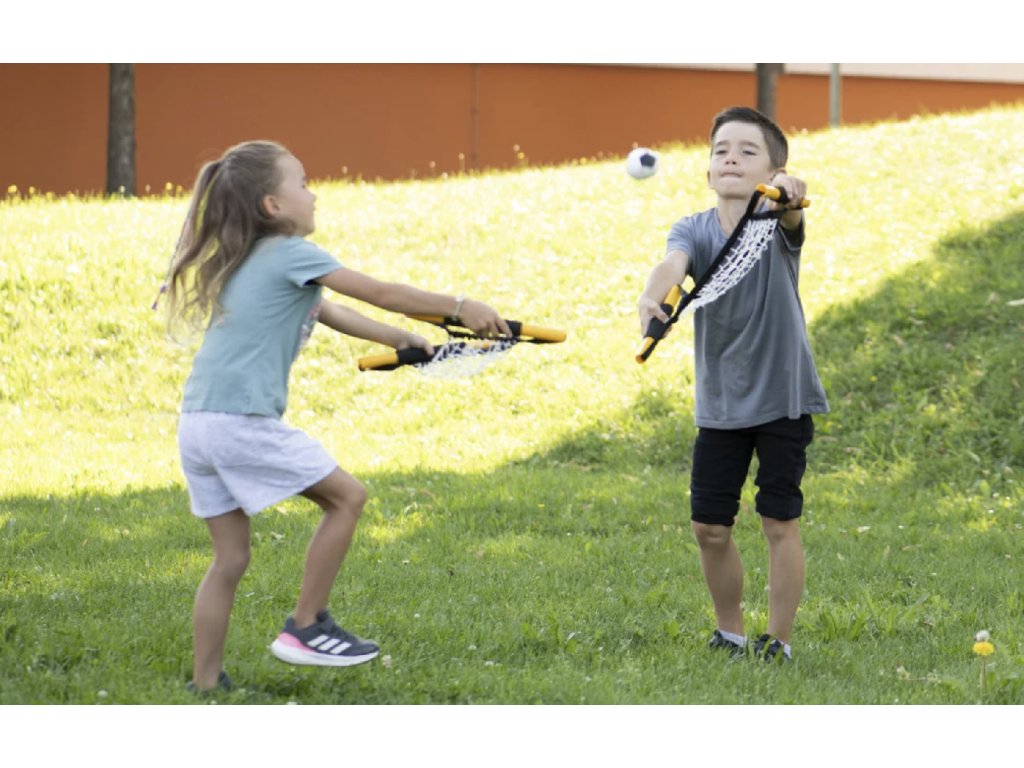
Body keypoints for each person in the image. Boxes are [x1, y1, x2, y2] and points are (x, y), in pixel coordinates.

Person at [163, 140, 511, 692]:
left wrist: (398, 339)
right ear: (273, 206)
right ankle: (306, 626)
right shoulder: (289, 252)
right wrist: (459, 306)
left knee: (229, 558)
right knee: (347, 498)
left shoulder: (246, 259)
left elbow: (327, 310)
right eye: (302, 183)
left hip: (198, 423)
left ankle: (206, 684)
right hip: (240, 421)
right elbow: (380, 291)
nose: (314, 193)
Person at [637, 107, 829, 662]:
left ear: (772, 170)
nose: (731, 159)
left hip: (783, 398)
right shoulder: (693, 229)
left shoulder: (778, 221)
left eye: (748, 151)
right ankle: (731, 633)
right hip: (721, 404)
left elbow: (792, 208)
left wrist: (789, 192)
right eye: (721, 150)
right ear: (708, 172)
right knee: (709, 528)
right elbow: (672, 265)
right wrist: (652, 295)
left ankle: (778, 640)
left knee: (778, 521)